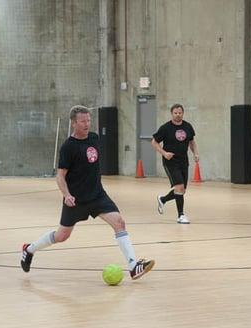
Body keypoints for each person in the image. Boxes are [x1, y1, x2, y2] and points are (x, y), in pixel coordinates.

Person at [21, 105, 154, 280]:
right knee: (62, 236)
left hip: (98, 195)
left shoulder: (94, 138)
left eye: (89, 120)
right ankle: (29, 249)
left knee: (119, 223)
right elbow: (60, 176)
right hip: (76, 199)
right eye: (83, 121)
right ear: (74, 123)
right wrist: (66, 195)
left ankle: (133, 266)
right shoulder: (68, 147)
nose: (87, 124)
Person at [151, 103, 199, 224]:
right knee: (179, 187)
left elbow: (192, 142)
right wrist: (164, 153)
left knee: (182, 190)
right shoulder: (166, 128)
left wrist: (195, 153)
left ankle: (163, 199)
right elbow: (154, 142)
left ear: (183, 113)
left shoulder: (188, 126)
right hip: (170, 161)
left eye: (180, 113)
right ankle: (181, 215)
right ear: (172, 114)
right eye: (175, 113)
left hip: (184, 161)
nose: (178, 115)